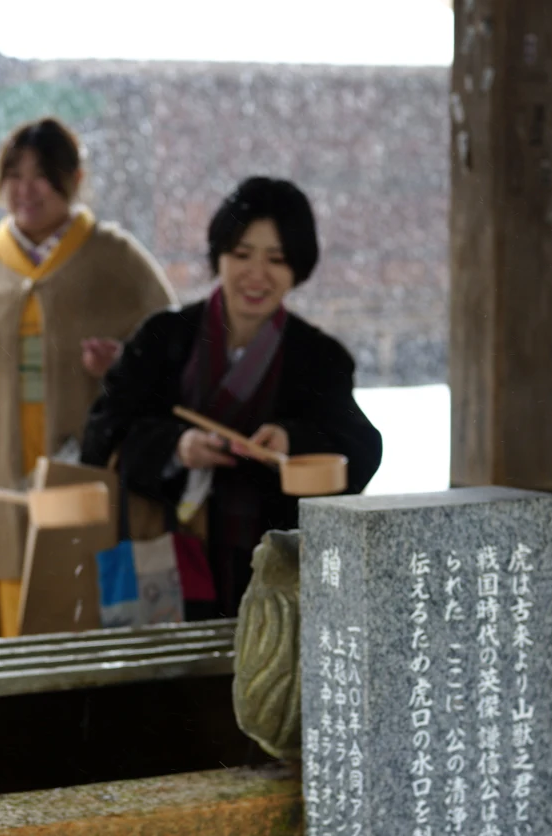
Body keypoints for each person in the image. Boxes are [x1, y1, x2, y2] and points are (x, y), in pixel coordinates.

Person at [0, 117, 175, 638]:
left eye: (41, 176)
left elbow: (171, 355)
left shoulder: (117, 260)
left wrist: (121, 365)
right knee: (10, 592)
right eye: (14, 175)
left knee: (85, 585)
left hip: (86, 459)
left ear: (73, 179)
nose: (25, 190)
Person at [81, 176, 383, 616]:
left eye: (276, 259)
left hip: (274, 575)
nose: (256, 275)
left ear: (297, 268)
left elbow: (359, 449)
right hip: (161, 565)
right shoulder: (163, 338)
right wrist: (175, 448)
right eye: (242, 254)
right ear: (218, 256)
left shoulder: (320, 358)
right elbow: (101, 435)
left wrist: (291, 442)